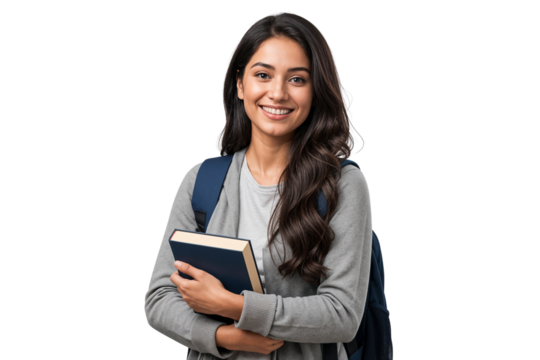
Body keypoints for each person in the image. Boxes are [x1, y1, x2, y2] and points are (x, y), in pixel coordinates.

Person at [144, 9, 370, 360]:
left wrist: (236, 306)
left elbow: (342, 314)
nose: (277, 93)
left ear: (316, 90)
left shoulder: (343, 185)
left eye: (297, 79)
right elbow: (158, 300)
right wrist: (223, 337)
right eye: (263, 75)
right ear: (239, 83)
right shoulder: (201, 181)